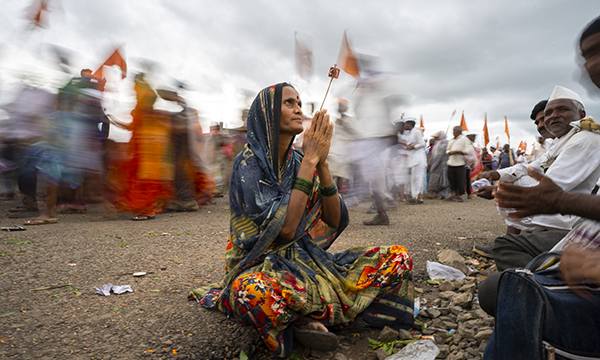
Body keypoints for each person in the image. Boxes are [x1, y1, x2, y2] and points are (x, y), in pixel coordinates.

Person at [189, 83, 414, 358]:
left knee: (398, 257)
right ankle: (315, 317)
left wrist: (322, 163)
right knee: (251, 293)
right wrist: (309, 161)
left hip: (309, 262)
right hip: (259, 264)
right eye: (288, 103)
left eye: (299, 102)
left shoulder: (299, 160)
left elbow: (334, 219)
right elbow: (285, 229)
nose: (297, 108)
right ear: (268, 114)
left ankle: (306, 316)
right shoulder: (248, 162)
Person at [446, 126, 471, 202]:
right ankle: (453, 194)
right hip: (451, 163)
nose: (453, 132)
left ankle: (460, 195)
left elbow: (468, 151)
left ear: (458, 131)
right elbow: (447, 150)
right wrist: (449, 152)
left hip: (460, 164)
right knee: (451, 179)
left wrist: (458, 151)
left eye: (454, 131)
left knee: (460, 180)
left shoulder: (464, 139)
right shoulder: (451, 140)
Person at [404, 119, 426, 204]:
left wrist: (412, 147)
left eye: (405, 124)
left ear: (410, 125)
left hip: (418, 158)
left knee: (417, 178)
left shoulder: (417, 132)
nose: (404, 126)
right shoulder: (409, 133)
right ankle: (419, 197)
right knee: (414, 178)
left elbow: (422, 144)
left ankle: (414, 197)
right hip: (412, 157)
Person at [425, 131, 450, 199]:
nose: (435, 138)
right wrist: (430, 164)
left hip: (443, 165)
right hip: (436, 165)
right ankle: (434, 193)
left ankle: (443, 194)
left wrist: (432, 165)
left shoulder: (445, 143)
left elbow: (439, 155)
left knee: (443, 179)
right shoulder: (437, 144)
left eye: (436, 137)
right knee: (434, 179)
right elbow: (433, 155)